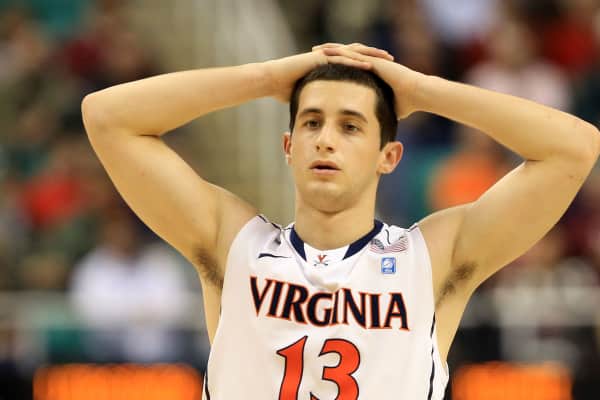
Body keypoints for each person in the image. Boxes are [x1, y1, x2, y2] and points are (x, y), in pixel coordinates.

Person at [81, 43, 600, 399]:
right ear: (288, 146)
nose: (325, 139)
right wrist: (267, 78)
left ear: (388, 156)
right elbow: (107, 117)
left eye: (350, 126)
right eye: (312, 122)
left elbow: (574, 148)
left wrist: (422, 91)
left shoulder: (431, 259)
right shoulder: (230, 242)